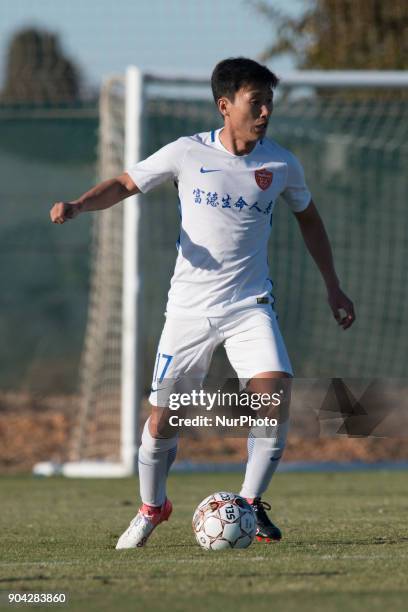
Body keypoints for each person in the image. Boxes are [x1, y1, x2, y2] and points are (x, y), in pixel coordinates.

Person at [50, 57, 355, 548]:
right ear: (224, 106)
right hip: (189, 312)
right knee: (163, 420)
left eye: (269, 102)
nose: (265, 112)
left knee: (274, 395)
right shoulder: (187, 153)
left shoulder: (280, 164)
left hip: (250, 305)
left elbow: (310, 220)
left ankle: (250, 506)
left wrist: (333, 285)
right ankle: (153, 507)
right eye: (255, 102)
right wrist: (81, 204)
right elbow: (126, 184)